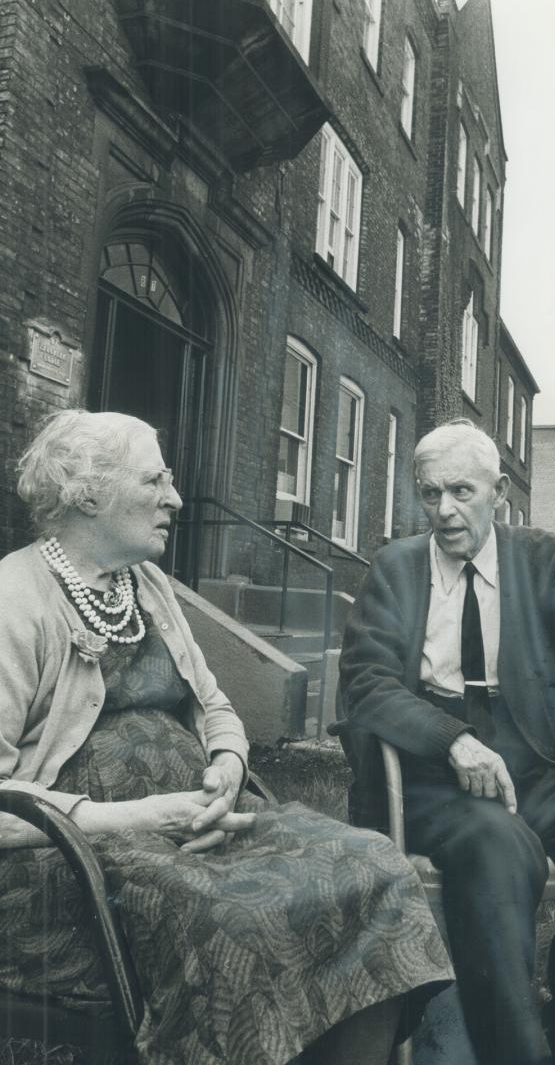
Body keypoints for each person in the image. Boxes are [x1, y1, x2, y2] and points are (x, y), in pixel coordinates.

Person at [0, 409, 453, 1065]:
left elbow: (214, 703)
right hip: (67, 859)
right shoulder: (15, 598)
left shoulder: (145, 584)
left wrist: (229, 762)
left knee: (374, 867)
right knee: (241, 921)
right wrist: (144, 814)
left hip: (197, 826)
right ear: (88, 492)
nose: (175, 498)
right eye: (153, 479)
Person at [336, 419, 555, 1065]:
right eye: (428, 495)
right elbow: (365, 684)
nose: (444, 511)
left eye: (460, 492)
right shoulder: (393, 570)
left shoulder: (534, 557)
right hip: (432, 773)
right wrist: (450, 740)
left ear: (497, 490)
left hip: (539, 762)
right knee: (499, 849)